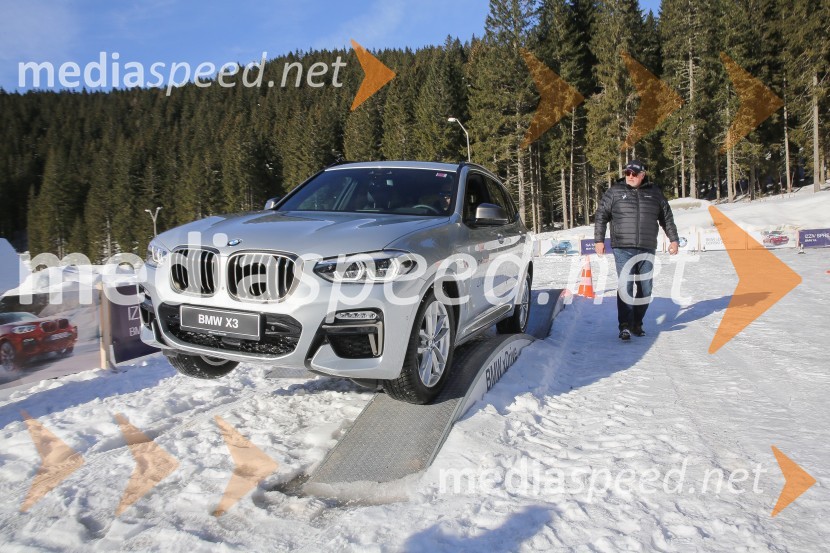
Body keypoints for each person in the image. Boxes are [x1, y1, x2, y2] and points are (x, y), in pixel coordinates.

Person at [594, 160, 679, 341]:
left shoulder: (655, 193)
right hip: (622, 247)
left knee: (645, 289)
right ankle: (624, 325)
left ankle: (636, 322)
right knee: (625, 286)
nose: (630, 177)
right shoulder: (614, 192)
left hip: (647, 247)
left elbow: (667, 218)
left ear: (643, 175)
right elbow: (601, 216)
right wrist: (598, 240)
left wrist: (674, 240)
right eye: (627, 173)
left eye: (634, 173)